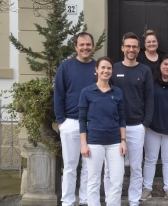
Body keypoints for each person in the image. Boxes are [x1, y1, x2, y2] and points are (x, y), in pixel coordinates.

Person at [111, 32, 154, 206]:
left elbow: (150, 98)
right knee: (113, 168)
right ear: (122, 48)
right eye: (128, 46)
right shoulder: (113, 69)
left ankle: (134, 200)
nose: (131, 49)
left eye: (134, 46)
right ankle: (113, 200)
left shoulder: (145, 70)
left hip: (137, 126)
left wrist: (145, 124)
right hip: (115, 126)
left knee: (136, 167)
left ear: (138, 49)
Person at [54, 32, 96, 206]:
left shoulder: (98, 67)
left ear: (93, 46)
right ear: (76, 47)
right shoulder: (65, 67)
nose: (85, 47)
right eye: (82, 45)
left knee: (89, 166)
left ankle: (85, 200)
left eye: (88, 44)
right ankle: (68, 201)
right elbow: (58, 94)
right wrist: (61, 121)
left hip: (93, 123)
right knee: (70, 166)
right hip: (70, 122)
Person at [79, 57, 127, 206]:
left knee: (117, 180)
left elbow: (122, 117)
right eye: (103, 68)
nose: (106, 71)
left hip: (114, 142)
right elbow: (82, 119)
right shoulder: (87, 92)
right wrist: (83, 144)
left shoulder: (117, 92)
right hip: (94, 142)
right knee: (93, 180)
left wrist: (123, 140)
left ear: (112, 71)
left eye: (109, 68)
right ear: (97, 69)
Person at [140, 55, 168, 203]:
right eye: (165, 64)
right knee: (150, 160)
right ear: (160, 65)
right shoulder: (151, 83)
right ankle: (147, 189)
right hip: (152, 128)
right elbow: (145, 103)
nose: (167, 67)